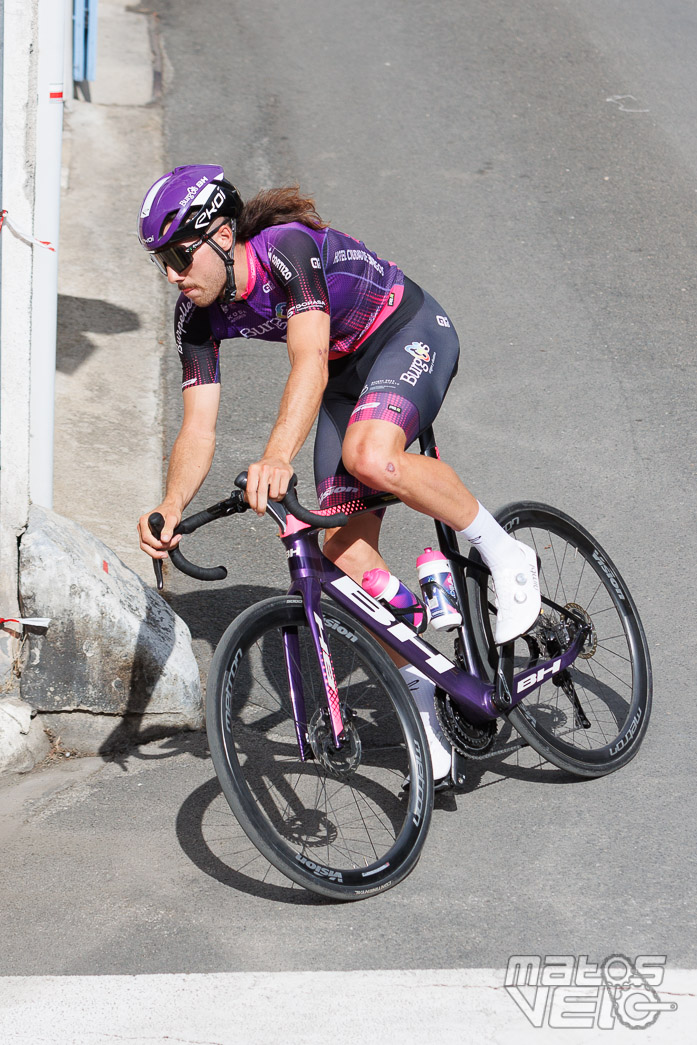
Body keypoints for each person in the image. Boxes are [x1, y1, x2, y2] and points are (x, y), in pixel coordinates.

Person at [136, 164, 540, 784]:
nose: (172, 274)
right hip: (348, 378)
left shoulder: (286, 251)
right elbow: (198, 427)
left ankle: (507, 554)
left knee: (369, 457)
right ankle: (427, 710)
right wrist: (169, 505)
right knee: (346, 558)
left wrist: (276, 456)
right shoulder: (195, 316)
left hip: (406, 334)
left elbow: (308, 364)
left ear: (222, 233)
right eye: (161, 261)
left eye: (180, 256)